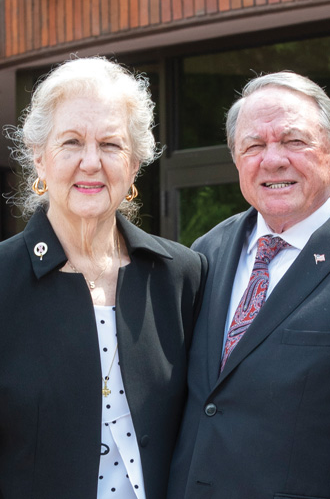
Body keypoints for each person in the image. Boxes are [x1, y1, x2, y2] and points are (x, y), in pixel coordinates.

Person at [168, 71, 330, 499]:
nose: (272, 160)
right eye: (254, 145)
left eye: (294, 141)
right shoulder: (208, 251)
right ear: (237, 161)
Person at [0, 57, 206, 499]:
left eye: (110, 145)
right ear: (39, 157)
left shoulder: (180, 276)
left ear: (134, 164)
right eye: (71, 142)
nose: (91, 162)